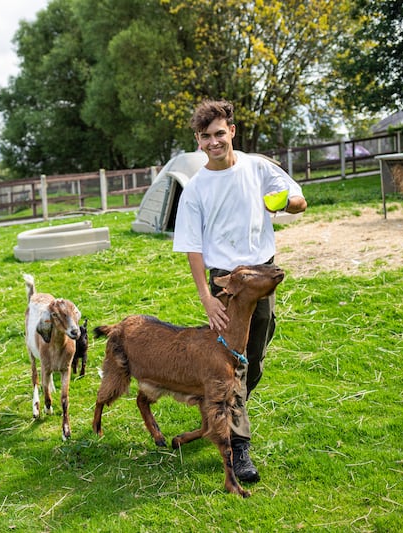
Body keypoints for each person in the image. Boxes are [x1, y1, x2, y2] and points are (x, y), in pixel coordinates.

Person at [172, 99, 307, 482]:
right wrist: (206, 297)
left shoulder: (258, 166)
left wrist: (284, 204)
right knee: (233, 367)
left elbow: (299, 199)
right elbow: (192, 247)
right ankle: (239, 448)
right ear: (198, 141)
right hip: (226, 282)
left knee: (255, 361)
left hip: (262, 274)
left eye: (219, 133)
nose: (214, 142)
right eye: (205, 137)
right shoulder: (196, 189)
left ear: (231, 130)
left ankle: (217, 409)